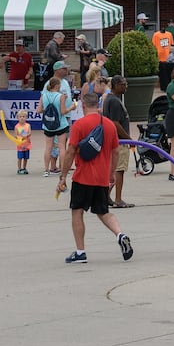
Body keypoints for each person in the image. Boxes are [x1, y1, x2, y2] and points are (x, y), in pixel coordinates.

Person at [57, 88, 133, 265]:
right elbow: (115, 152)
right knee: (103, 211)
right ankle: (120, 234)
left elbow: (70, 151)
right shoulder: (109, 125)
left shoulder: (79, 125)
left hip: (82, 177)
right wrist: (111, 174)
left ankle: (80, 252)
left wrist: (63, 175)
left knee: (77, 212)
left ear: (83, 106)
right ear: (98, 106)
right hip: (101, 178)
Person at [101, 75, 135, 208]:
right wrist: (128, 138)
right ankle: (118, 199)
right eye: (122, 84)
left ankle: (105, 197)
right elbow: (115, 122)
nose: (125, 86)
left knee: (113, 170)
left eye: (125, 83)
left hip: (113, 140)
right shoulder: (114, 101)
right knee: (119, 170)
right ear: (114, 85)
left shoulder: (111, 99)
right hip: (118, 141)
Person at [40, 73, 73, 175]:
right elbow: (63, 111)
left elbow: (38, 110)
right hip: (61, 124)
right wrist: (72, 108)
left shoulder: (44, 95)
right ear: (57, 85)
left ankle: (46, 169)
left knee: (48, 147)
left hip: (48, 125)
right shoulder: (61, 96)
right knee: (62, 146)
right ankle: (63, 168)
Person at [1, 107, 33, 174]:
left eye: (23, 116)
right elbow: (15, 135)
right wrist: (20, 138)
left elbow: (30, 133)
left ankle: (24, 168)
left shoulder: (28, 125)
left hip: (27, 144)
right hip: (20, 145)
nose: (22, 118)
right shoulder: (17, 126)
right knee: (20, 158)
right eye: (20, 116)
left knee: (26, 158)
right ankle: (19, 168)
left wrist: (26, 135)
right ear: (18, 118)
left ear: (26, 117)